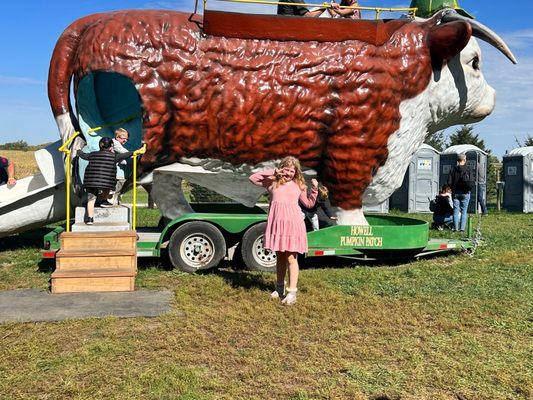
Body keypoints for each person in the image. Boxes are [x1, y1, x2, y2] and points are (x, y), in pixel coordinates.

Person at [249, 156, 318, 305]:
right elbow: (253, 178)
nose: (288, 173)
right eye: (286, 169)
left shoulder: (299, 185)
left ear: (296, 172)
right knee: (279, 256)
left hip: (293, 224)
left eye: (292, 171)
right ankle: (279, 288)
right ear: (281, 168)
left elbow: (309, 204)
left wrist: (314, 190)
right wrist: (274, 172)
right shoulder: (272, 182)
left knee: (291, 258)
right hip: (277, 225)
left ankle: (292, 292)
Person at [77, 137, 133, 225]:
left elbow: (83, 155)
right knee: (107, 187)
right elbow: (126, 155)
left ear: (100, 146)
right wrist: (135, 152)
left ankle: (90, 219)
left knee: (91, 199)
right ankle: (104, 200)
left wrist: (78, 150)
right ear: (111, 147)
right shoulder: (115, 156)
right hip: (106, 183)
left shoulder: (92, 154)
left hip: (91, 182)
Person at [447, 153, 472, 232]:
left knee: (456, 210)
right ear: (464, 160)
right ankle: (462, 229)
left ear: (457, 160)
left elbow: (449, 182)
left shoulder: (453, 169)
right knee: (464, 211)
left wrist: (452, 188)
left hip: (455, 193)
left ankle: (455, 228)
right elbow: (472, 181)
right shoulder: (468, 169)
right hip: (465, 192)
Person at [110, 127, 130, 206]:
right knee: (114, 183)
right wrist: (136, 153)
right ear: (117, 137)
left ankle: (113, 198)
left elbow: (119, 156)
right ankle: (110, 199)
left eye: (127, 139)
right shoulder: (115, 143)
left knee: (119, 182)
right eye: (123, 138)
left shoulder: (116, 142)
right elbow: (124, 152)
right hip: (109, 167)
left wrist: (124, 161)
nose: (125, 140)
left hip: (111, 166)